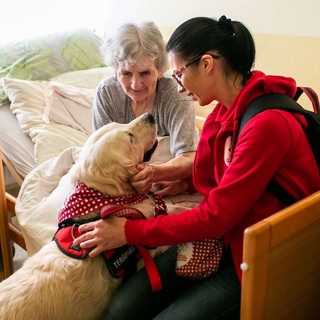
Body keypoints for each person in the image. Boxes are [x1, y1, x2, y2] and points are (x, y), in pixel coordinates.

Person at [73, 15, 320, 319]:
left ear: (206, 64)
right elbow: (211, 171)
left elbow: (215, 216)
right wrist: (166, 176)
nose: (177, 87)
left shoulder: (267, 126)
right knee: (119, 311)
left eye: (177, 74)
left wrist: (129, 232)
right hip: (224, 235)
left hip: (256, 254)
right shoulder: (223, 112)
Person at [92, 21, 199, 197]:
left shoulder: (176, 94)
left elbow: (189, 157)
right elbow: (99, 157)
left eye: (145, 73)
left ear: (161, 68)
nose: (135, 84)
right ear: (115, 71)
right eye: (126, 74)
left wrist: (154, 172)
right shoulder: (107, 93)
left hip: (161, 182)